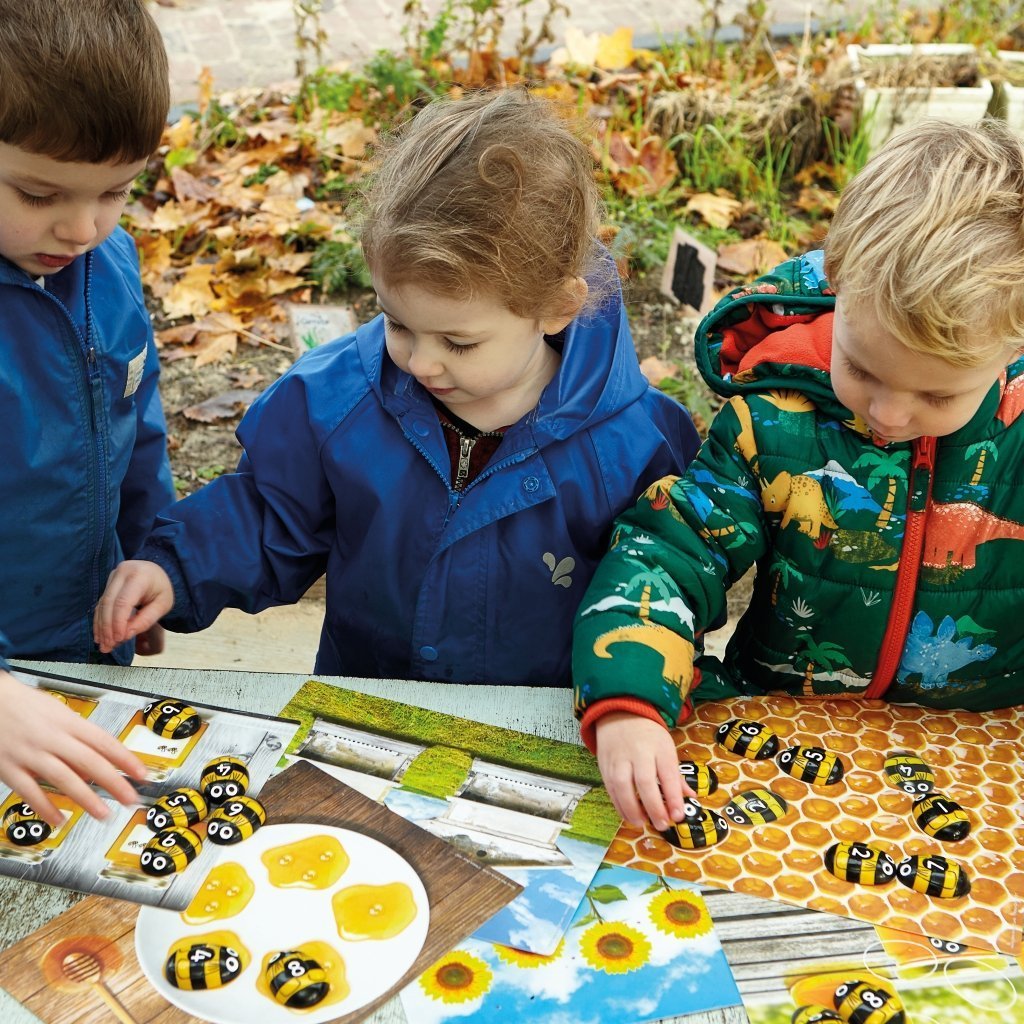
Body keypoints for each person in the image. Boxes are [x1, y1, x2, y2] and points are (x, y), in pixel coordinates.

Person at [94, 92, 699, 684]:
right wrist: (176, 567)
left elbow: (665, 583)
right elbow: (271, 512)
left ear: (557, 307)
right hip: (371, 711)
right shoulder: (338, 399)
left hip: (546, 733)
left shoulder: (635, 445)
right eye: (398, 324)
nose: (420, 363)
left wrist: (633, 695)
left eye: (458, 343)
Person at [572, 118, 1024, 833]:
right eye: (863, 369)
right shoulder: (775, 415)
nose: (889, 413)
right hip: (780, 733)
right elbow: (670, 549)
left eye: (939, 395)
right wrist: (629, 699)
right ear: (839, 286)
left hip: (984, 757)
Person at [0, 0, 175, 825]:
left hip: (79, 642)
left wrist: (149, 554)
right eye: (38, 193)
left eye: (116, 190)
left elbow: (136, 422)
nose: (80, 226)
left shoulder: (107, 259)